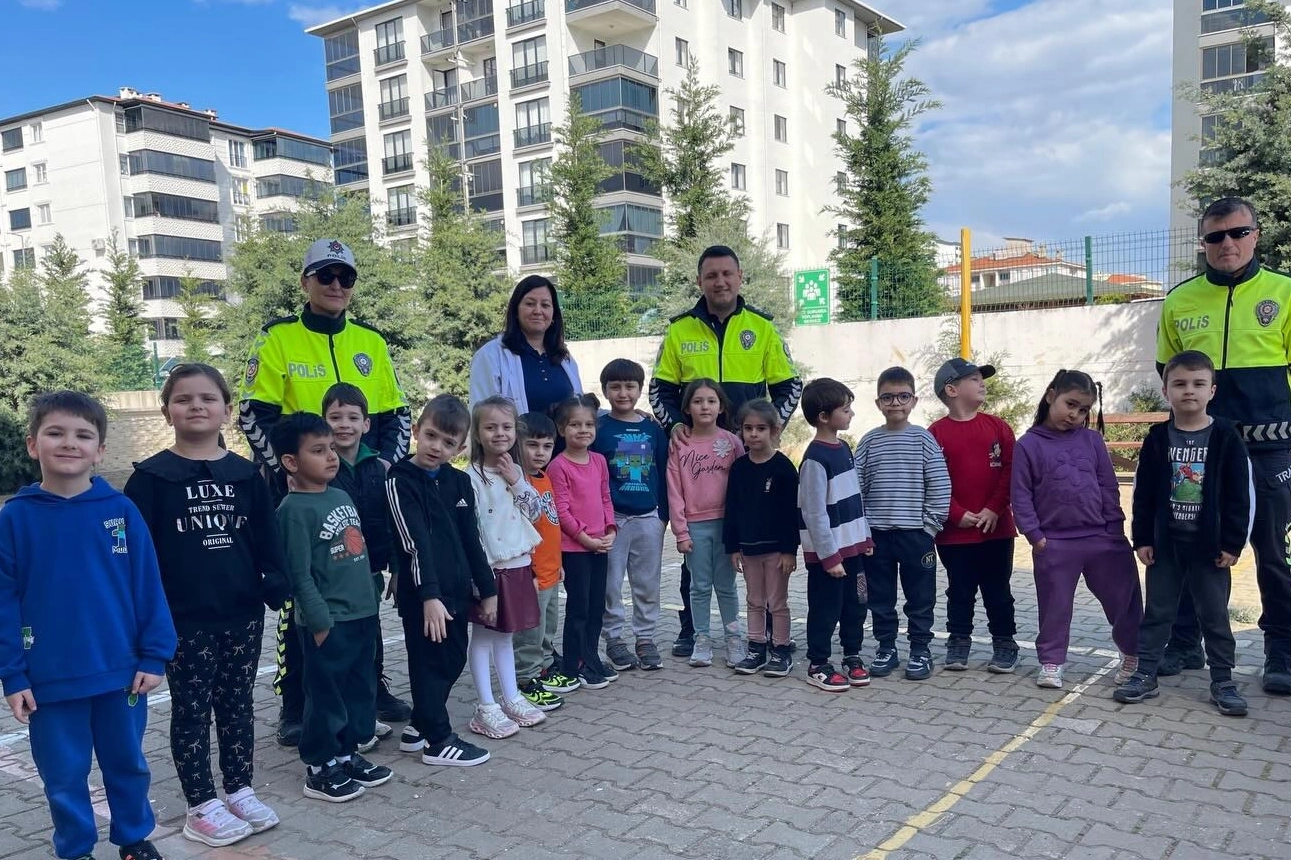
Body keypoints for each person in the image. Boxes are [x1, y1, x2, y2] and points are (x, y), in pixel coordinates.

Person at [238, 238, 412, 746]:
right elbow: (253, 414)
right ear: (306, 282)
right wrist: (289, 471)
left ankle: (369, 686)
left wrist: (383, 465)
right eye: (326, 275)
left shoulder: (371, 342)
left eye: (346, 277)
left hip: (362, 487)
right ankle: (295, 702)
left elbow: (396, 414)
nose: (337, 285)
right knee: (303, 593)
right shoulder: (278, 338)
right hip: (303, 493)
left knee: (361, 587)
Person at [0, 391, 177, 860]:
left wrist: (155, 654)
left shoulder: (120, 510)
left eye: (83, 435)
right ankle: (76, 849)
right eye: (55, 433)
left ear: (99, 450)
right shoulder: (15, 517)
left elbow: (148, 584)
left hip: (121, 672)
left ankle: (134, 840)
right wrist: (12, 675)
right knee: (63, 775)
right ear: (33, 444)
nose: (69, 443)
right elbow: (4, 601)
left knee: (127, 765)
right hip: (49, 678)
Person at [125, 365, 287, 846]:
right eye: (184, 399)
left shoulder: (246, 474)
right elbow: (138, 557)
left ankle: (239, 789)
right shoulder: (150, 480)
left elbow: (267, 536)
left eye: (208, 398)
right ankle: (201, 804)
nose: (196, 405)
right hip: (183, 619)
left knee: (238, 705)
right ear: (166, 412)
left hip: (242, 612)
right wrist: (144, 620)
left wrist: (276, 580)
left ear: (227, 410)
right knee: (192, 711)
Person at [1156, 196, 1291, 694]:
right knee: (1193, 543)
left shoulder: (1285, 292)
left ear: (1256, 236)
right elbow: (1168, 369)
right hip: (1204, 449)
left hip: (1272, 449)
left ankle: (1282, 649)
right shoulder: (1180, 299)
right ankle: (1185, 642)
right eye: (1215, 236)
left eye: (1238, 233)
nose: (1227, 243)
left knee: (1275, 553)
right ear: (1203, 243)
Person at [649, 245, 802, 658]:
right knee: (696, 557)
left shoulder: (762, 328)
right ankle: (691, 630)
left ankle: (761, 628)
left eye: (727, 274)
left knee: (754, 542)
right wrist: (675, 426)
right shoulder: (679, 331)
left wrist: (765, 431)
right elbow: (659, 389)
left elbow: (790, 386)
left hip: (748, 458)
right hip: (698, 459)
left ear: (740, 277)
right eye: (711, 275)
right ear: (699, 281)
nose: (720, 282)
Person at [1115, 351, 1253, 716]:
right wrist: (1143, 539)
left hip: (1210, 548)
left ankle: (1222, 680)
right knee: (1158, 612)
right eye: (1179, 384)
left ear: (1212, 391)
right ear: (1166, 391)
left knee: (1214, 615)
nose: (1188, 390)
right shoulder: (1158, 438)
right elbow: (1143, 494)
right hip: (1166, 546)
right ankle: (1145, 674)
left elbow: (1238, 496)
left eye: (1197, 384)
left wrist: (1232, 543)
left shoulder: (1226, 436)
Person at [272, 413, 392, 803]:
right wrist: (319, 621)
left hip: (362, 614)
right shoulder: (293, 510)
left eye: (331, 449)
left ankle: (346, 755)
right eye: (318, 450)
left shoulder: (339, 496)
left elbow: (358, 550)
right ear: (291, 462)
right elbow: (299, 573)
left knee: (358, 691)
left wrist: (371, 597)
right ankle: (320, 767)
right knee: (327, 697)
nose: (330, 457)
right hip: (328, 622)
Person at [1012, 370, 1144, 690]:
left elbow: (1108, 485)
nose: (1075, 414)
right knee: (1055, 606)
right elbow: (1020, 495)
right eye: (1070, 404)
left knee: (1123, 600)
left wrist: (1115, 529)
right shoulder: (1027, 445)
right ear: (1050, 396)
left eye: (1083, 409)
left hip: (1103, 538)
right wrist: (1035, 536)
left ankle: (1134, 654)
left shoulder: (1092, 440)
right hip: (1055, 542)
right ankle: (1052, 661)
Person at [385, 395, 495, 767]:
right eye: (431, 436)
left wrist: (488, 589)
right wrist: (428, 596)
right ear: (417, 431)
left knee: (452, 659)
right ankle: (438, 741)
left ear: (460, 448)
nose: (437, 447)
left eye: (448, 443)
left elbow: (472, 539)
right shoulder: (399, 479)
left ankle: (419, 725)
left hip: (457, 590)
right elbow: (413, 541)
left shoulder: (459, 482)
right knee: (429, 664)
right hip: (423, 595)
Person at [322, 383, 410, 743]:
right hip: (335, 576)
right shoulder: (321, 468)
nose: (344, 424)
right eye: (335, 417)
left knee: (369, 638)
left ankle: (368, 708)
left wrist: (397, 568)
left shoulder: (380, 468)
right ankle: (340, 719)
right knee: (340, 646)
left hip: (370, 572)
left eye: (352, 417)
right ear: (324, 422)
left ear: (367, 424)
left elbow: (393, 522)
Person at [854, 367, 951, 682]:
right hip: (877, 537)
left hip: (916, 537)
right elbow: (857, 488)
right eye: (888, 397)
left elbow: (939, 485)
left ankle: (920, 650)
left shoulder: (923, 439)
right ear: (878, 403)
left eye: (903, 396)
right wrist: (862, 530)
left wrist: (929, 527)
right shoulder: (869, 442)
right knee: (880, 597)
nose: (895, 403)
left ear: (914, 401)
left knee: (920, 597)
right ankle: (886, 648)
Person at [928, 358, 1021, 674]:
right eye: (974, 379)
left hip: (997, 529)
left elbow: (1011, 470)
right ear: (951, 390)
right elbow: (931, 480)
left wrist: (994, 509)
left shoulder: (999, 427)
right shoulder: (935, 434)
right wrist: (955, 513)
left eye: (982, 379)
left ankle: (1005, 642)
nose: (982, 383)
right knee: (959, 590)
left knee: (998, 590)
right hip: (955, 533)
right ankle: (958, 641)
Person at [464, 397, 548, 739]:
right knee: (484, 637)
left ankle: (511, 697)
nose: (500, 433)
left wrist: (517, 480)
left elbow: (536, 513)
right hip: (490, 571)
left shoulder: (517, 472)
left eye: (506, 427)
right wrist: (479, 577)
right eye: (490, 427)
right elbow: (471, 531)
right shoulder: (470, 477)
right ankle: (486, 706)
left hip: (518, 566)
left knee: (506, 635)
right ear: (477, 433)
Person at [593, 359, 669, 672]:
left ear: (640, 390)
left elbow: (664, 471)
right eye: (615, 387)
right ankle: (613, 638)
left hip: (648, 518)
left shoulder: (653, 429)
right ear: (605, 390)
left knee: (647, 583)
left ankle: (645, 638)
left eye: (629, 386)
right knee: (610, 584)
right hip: (613, 521)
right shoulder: (598, 429)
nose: (623, 393)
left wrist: (662, 516)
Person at [798, 380, 874, 692]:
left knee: (856, 605)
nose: (851, 414)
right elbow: (813, 512)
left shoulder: (843, 448)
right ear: (824, 416)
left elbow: (854, 498)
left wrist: (864, 537)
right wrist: (829, 557)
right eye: (845, 409)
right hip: (830, 557)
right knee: (825, 609)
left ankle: (852, 655)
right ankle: (818, 663)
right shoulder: (815, 459)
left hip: (853, 551)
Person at [667, 379, 746, 669]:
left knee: (726, 586)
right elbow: (674, 489)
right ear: (687, 408)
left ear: (721, 407)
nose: (705, 407)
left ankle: (734, 638)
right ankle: (701, 638)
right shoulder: (680, 444)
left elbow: (743, 487)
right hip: (695, 527)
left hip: (726, 527)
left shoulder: (732, 442)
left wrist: (740, 530)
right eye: (698, 401)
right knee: (699, 587)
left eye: (711, 401)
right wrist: (680, 531)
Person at [724, 399, 800, 677]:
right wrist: (733, 547)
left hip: (777, 551)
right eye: (748, 428)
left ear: (774, 430)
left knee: (776, 602)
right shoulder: (739, 468)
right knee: (754, 600)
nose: (754, 434)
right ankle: (756, 648)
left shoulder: (784, 468)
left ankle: (781, 650)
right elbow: (732, 509)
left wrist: (789, 550)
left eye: (761, 428)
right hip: (748, 549)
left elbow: (791, 514)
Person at [548, 394, 618, 689]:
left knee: (595, 606)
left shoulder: (599, 461)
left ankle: (591, 656)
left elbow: (605, 497)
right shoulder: (558, 466)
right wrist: (586, 539)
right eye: (575, 425)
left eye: (588, 424)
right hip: (575, 548)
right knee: (579, 607)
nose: (583, 430)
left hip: (600, 545)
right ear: (561, 429)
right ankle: (574, 663)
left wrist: (611, 529)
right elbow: (561, 510)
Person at [513, 412, 579, 709]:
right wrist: (529, 570)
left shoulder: (545, 476)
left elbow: (550, 526)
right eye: (532, 445)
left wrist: (559, 561)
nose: (540, 453)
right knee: (530, 631)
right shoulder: (518, 482)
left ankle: (545, 667)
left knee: (547, 626)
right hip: (533, 574)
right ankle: (525, 678)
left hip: (551, 569)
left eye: (547, 446)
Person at [469, 275, 583, 416]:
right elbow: (480, 416)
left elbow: (580, 409)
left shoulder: (564, 358)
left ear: (554, 313)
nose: (538, 311)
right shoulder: (490, 356)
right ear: (516, 310)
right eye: (530, 304)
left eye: (545, 305)